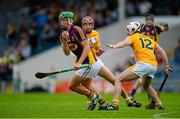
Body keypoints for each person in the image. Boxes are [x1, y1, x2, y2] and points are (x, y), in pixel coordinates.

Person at [59, 11, 140, 111]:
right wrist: (65, 41)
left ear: (70, 20)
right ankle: (102, 103)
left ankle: (126, 100)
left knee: (114, 80)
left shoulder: (85, 32)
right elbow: (67, 52)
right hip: (85, 62)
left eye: (64, 20)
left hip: (91, 62)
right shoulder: (64, 34)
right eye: (61, 20)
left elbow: (91, 48)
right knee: (87, 85)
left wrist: (96, 53)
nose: (62, 22)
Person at [107, 21, 173, 110]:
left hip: (143, 64)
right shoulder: (150, 39)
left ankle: (115, 105)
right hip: (153, 66)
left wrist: (115, 46)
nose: (127, 32)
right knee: (147, 86)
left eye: (128, 30)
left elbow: (124, 43)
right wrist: (166, 66)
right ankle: (159, 104)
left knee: (118, 79)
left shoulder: (132, 37)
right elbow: (162, 53)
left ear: (133, 29)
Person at [81, 16, 141, 110]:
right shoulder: (79, 35)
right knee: (87, 85)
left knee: (114, 80)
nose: (88, 26)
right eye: (85, 24)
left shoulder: (96, 33)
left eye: (90, 24)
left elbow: (97, 50)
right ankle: (98, 102)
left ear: (93, 25)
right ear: (82, 26)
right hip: (84, 64)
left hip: (96, 62)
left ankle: (128, 100)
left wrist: (99, 52)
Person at [128, 14, 169, 104]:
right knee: (144, 76)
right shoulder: (141, 28)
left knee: (145, 77)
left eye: (151, 19)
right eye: (147, 19)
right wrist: (132, 53)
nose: (149, 21)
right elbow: (135, 41)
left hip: (152, 55)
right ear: (145, 20)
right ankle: (137, 93)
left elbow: (165, 29)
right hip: (141, 55)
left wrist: (165, 27)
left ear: (153, 21)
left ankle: (134, 92)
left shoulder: (156, 28)